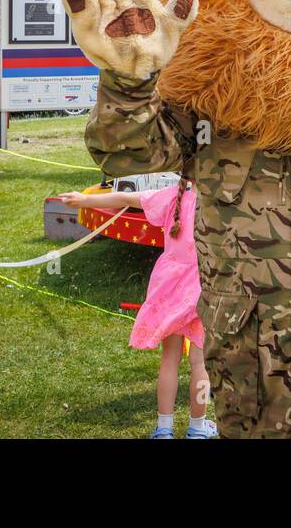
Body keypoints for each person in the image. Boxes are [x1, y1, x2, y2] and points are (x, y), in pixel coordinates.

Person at [58, 182, 216, 439]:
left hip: (169, 286)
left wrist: (84, 200)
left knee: (170, 358)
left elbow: (125, 198)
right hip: (203, 287)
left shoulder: (171, 196)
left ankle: (164, 429)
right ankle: (198, 428)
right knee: (200, 363)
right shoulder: (220, 201)